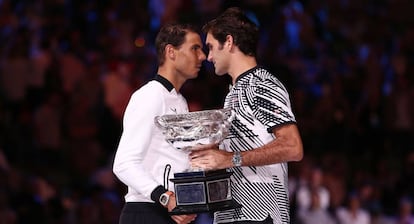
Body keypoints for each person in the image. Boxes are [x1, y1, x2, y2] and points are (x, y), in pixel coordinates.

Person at [189, 7, 304, 224]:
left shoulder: (261, 84)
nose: (209, 56)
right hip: (234, 213)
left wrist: (229, 158)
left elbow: (292, 147)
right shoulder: (235, 91)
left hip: (259, 214)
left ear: (229, 42)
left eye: (212, 47)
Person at [112, 22, 206, 224]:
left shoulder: (179, 101)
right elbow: (124, 163)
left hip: (170, 212)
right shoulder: (150, 96)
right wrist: (165, 197)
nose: (203, 56)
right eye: (195, 48)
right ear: (171, 52)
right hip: (147, 211)